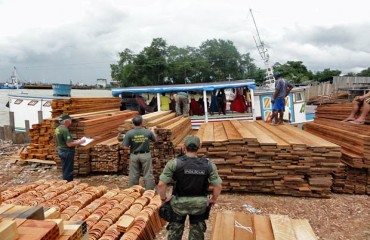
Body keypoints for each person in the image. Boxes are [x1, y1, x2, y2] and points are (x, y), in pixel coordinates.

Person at [157, 135, 222, 240]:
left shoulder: (174, 163)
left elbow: (161, 184)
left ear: (184, 147)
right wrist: (213, 200)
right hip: (199, 204)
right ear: (199, 147)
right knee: (197, 233)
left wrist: (164, 198)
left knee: (175, 232)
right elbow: (218, 186)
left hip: (178, 204)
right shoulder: (208, 164)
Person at [122, 115, 157, 190]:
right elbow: (155, 140)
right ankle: (149, 192)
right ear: (142, 122)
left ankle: (133, 191)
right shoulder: (147, 132)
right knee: (148, 174)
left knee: (134, 175)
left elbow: (125, 147)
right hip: (145, 155)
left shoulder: (129, 133)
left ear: (133, 123)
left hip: (134, 155)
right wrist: (153, 131)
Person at [55, 114, 86, 182]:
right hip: (67, 152)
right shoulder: (65, 130)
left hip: (61, 150)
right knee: (68, 169)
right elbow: (69, 144)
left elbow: (65, 140)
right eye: (70, 120)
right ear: (67, 121)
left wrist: (76, 141)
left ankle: (65, 182)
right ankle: (68, 184)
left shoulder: (58, 128)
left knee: (65, 168)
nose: (71, 121)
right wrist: (81, 142)